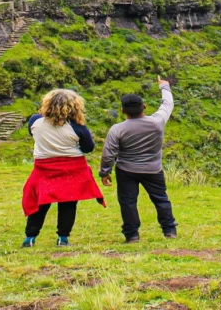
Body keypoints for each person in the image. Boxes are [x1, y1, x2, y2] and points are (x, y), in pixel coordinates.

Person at [21, 89, 105, 248]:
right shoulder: (77, 127)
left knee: (40, 202)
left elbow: (34, 136)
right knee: (68, 203)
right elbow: (88, 147)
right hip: (71, 168)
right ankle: (63, 238)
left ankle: (30, 237)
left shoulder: (35, 121)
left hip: (44, 168)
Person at [99, 76, 177, 243]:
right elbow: (167, 105)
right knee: (161, 199)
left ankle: (132, 235)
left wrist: (105, 172)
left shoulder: (117, 129)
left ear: (122, 110)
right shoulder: (157, 122)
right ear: (145, 107)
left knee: (128, 202)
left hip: (126, 170)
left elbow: (108, 153)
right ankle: (169, 230)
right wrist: (164, 86)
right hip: (153, 169)